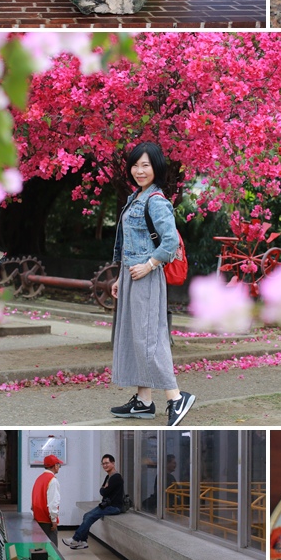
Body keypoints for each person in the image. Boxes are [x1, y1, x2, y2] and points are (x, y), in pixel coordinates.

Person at [110, 141, 196, 426]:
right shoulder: (135, 197)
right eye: (135, 165)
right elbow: (129, 245)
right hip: (131, 276)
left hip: (147, 276)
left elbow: (170, 242)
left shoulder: (156, 201)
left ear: (156, 167)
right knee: (135, 337)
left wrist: (148, 266)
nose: (139, 170)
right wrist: (120, 278)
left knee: (149, 339)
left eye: (145, 165)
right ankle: (144, 401)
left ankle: (175, 397)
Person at [62, 454, 124, 550]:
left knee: (90, 516)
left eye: (107, 463)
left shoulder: (116, 477)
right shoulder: (108, 477)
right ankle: (83, 542)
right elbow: (102, 491)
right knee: (86, 515)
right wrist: (104, 489)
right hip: (106, 505)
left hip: (114, 507)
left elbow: (104, 491)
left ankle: (75, 538)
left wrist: (104, 489)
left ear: (113, 463)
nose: (105, 465)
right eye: (103, 464)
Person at [31, 454, 63, 546]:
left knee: (40, 547)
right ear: (55, 465)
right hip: (47, 521)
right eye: (58, 465)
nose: (59, 467)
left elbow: (34, 498)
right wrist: (54, 520)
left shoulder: (39, 478)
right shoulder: (52, 480)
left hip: (38, 518)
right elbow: (53, 503)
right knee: (52, 551)